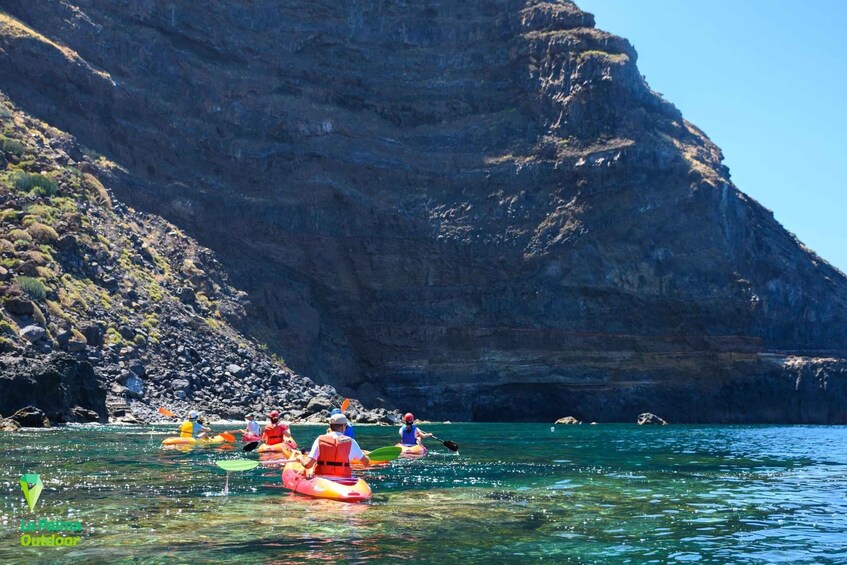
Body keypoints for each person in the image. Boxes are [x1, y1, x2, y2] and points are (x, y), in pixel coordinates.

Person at [301, 413, 369, 477]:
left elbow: (308, 465)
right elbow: (366, 462)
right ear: (343, 426)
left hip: (322, 480)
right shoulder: (351, 442)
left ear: (330, 426)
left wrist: (300, 458)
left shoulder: (319, 440)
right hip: (345, 480)